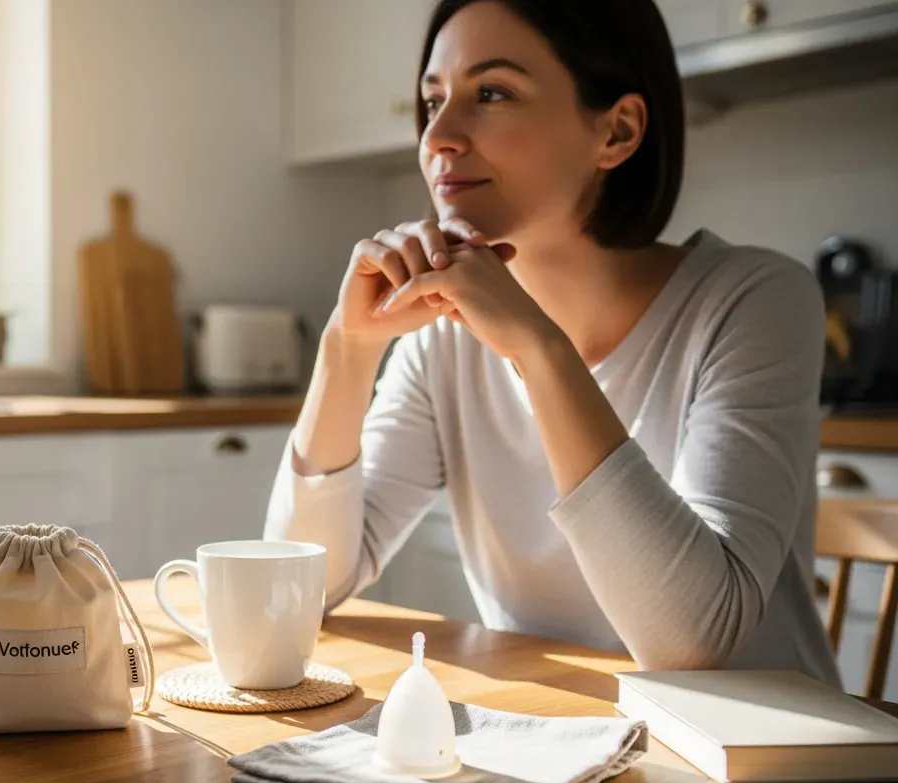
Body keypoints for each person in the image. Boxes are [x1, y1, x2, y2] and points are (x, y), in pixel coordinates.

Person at [264, 0, 840, 685]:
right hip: (561, 743)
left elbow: (692, 643)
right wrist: (348, 347)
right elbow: (300, 589)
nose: (437, 136)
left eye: (493, 93)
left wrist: (538, 350)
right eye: (432, 100)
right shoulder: (441, 340)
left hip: (761, 768)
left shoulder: (755, 301)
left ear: (617, 132)